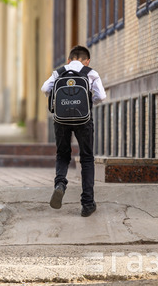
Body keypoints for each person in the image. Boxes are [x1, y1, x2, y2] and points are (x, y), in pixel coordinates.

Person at [41, 45, 106, 217]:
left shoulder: (59, 72)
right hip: (83, 120)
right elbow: (101, 97)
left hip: (61, 120)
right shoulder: (90, 72)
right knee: (86, 158)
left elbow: (45, 89)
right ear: (87, 60)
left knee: (63, 154)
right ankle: (87, 203)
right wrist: (85, 101)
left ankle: (60, 184)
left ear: (69, 60)